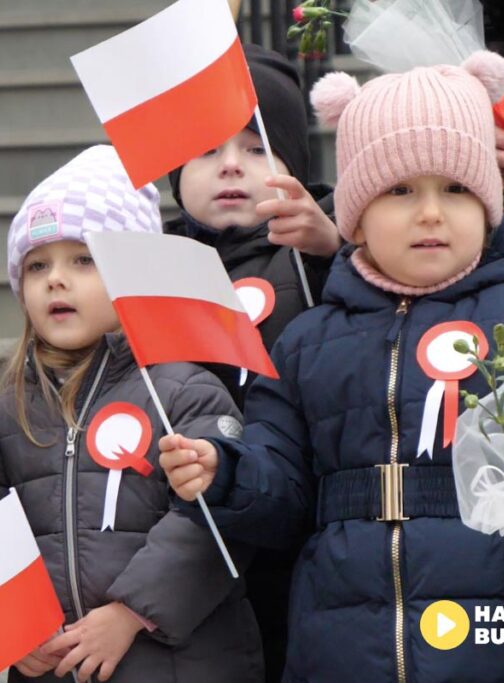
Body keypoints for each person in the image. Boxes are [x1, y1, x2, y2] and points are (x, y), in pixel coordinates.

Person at [159, 52, 504, 682]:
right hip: (343, 643)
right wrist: (227, 471)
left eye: (456, 189)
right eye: (400, 190)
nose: (430, 212)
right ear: (354, 213)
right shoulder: (307, 340)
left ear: (487, 205)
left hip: (500, 635)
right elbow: (283, 480)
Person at [0, 145, 263, 682]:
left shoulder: (184, 391)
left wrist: (131, 613)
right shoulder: (10, 413)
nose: (55, 280)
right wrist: (14, 628)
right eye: (37, 265)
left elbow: (212, 524)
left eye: (84, 260)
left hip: (177, 664)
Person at [164, 43, 339, 681]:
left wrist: (331, 248)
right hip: (189, 524)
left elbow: (379, 312)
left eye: (258, 147)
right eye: (207, 150)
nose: (232, 166)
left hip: (302, 523)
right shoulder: (151, 262)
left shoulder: (326, 244)